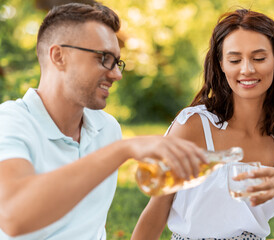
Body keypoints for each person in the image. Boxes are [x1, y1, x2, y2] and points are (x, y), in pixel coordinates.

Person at [132, 9, 274, 240]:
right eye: (234, 60)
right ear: (221, 64)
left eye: (259, 58)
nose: (247, 69)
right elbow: (156, 211)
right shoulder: (193, 126)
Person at [0, 2, 207, 239]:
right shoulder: (9, 122)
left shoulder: (107, 129)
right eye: (103, 58)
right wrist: (123, 149)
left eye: (117, 62)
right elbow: (13, 217)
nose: (117, 74)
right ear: (59, 56)